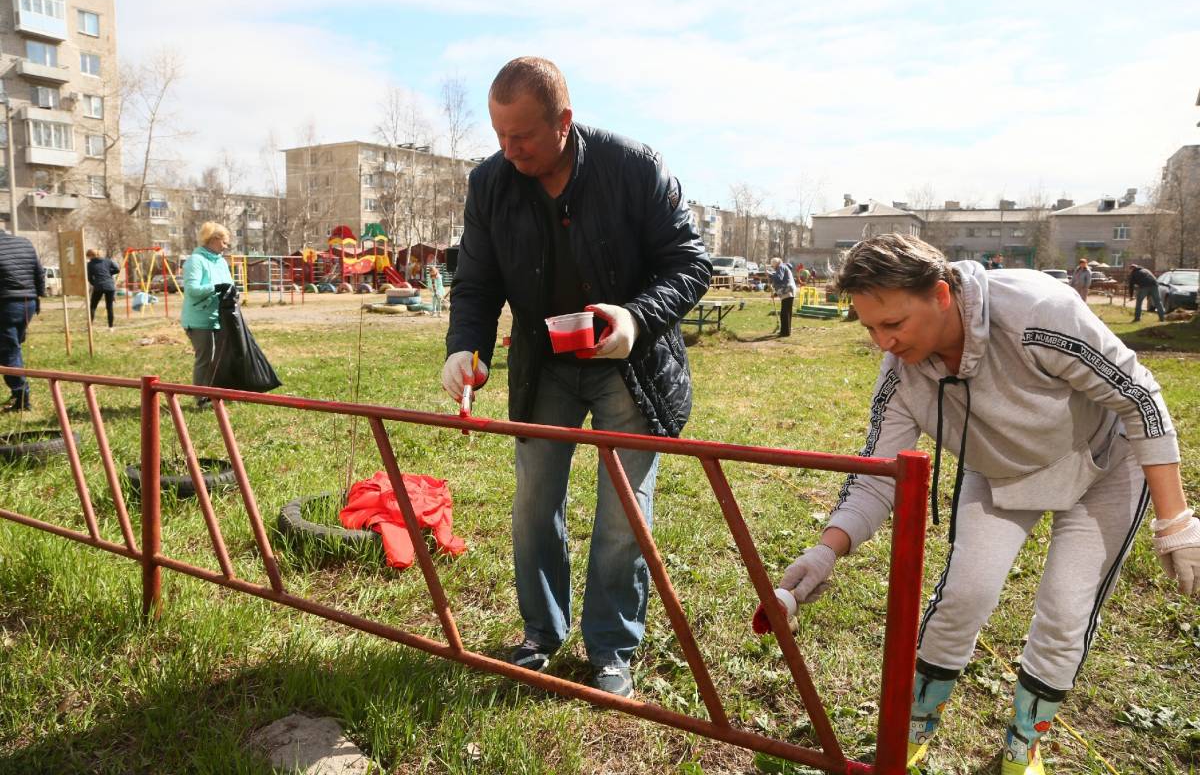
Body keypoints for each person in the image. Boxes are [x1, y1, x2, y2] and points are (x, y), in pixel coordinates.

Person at [775, 234, 1196, 775]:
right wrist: (826, 551)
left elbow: (1138, 395)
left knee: (1066, 610)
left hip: (1104, 462)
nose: (883, 343)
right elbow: (878, 477)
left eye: (893, 324)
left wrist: (1175, 520)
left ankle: (1023, 743)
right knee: (963, 595)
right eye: (870, 328)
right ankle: (915, 723)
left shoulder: (1038, 312)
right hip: (998, 470)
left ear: (940, 294)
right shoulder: (901, 372)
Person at [443, 57, 710, 698]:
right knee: (534, 503)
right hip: (544, 367)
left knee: (623, 513)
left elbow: (690, 264)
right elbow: (476, 283)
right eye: (499, 135)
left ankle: (612, 647)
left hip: (629, 365)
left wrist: (636, 318)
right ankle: (541, 632)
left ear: (564, 120)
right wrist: (465, 347)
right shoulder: (491, 183)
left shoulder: (635, 168)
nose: (509, 151)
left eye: (523, 136)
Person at [181, 222, 234, 407]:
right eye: (224, 242)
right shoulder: (195, 261)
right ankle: (200, 398)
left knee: (219, 358)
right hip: (199, 319)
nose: (226, 246)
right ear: (213, 239)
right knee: (205, 358)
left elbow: (229, 284)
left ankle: (215, 393)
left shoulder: (221, 262)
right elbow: (192, 290)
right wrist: (215, 287)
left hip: (219, 317)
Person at [0, 227, 44, 412]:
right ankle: (18, 393)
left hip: (6, 304)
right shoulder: (24, 242)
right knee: (13, 346)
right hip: (28, 303)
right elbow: (38, 272)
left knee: (8, 351)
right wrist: (38, 297)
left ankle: (21, 397)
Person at [86, 248, 120, 330]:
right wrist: (108, 273)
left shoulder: (90, 264)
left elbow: (89, 278)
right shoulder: (108, 261)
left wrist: (95, 283)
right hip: (110, 286)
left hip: (99, 286)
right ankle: (111, 327)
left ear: (91, 256)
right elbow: (117, 269)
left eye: (88, 257)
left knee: (93, 306)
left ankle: (90, 326)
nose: (88, 258)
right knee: (109, 307)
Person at [768, 257, 796, 337]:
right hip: (789, 291)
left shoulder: (781, 267)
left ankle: (785, 332)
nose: (773, 268)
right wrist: (775, 294)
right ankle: (786, 332)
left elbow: (779, 278)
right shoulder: (783, 267)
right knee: (787, 312)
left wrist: (770, 275)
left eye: (773, 266)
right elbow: (783, 281)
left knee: (784, 313)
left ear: (775, 264)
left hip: (787, 291)